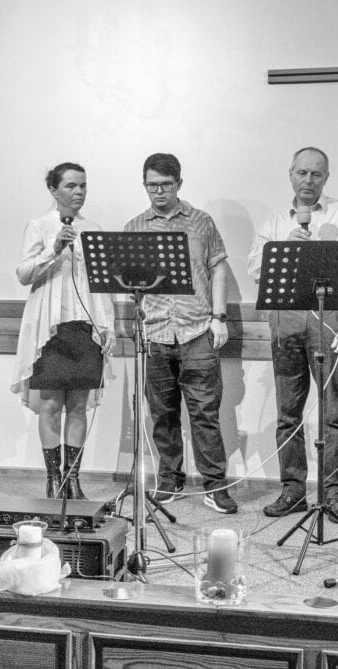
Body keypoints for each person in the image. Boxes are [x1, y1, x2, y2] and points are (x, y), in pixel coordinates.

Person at [246, 147, 338, 523]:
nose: (308, 181)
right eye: (301, 173)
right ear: (290, 174)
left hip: (329, 319)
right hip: (286, 320)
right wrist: (285, 251)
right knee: (288, 414)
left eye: (316, 174)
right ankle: (293, 491)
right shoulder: (275, 221)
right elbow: (254, 268)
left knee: (334, 414)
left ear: (326, 177)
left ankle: (333, 495)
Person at [124, 152, 237, 514]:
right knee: (163, 414)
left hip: (197, 329)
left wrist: (219, 317)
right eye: (152, 185)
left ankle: (215, 485)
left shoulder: (201, 222)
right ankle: (170, 479)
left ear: (179, 184)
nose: (158, 192)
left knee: (205, 413)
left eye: (166, 185)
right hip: (155, 331)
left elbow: (218, 269)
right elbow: (126, 280)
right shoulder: (135, 227)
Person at [12, 162, 115, 501]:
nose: (79, 191)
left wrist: (108, 326)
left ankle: (73, 478)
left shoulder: (93, 228)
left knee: (79, 404)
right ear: (54, 190)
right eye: (71, 186)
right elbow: (24, 274)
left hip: (86, 324)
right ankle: (53, 477)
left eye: (83, 185)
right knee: (52, 404)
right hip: (51, 328)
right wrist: (53, 249)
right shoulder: (39, 226)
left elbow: (103, 285)